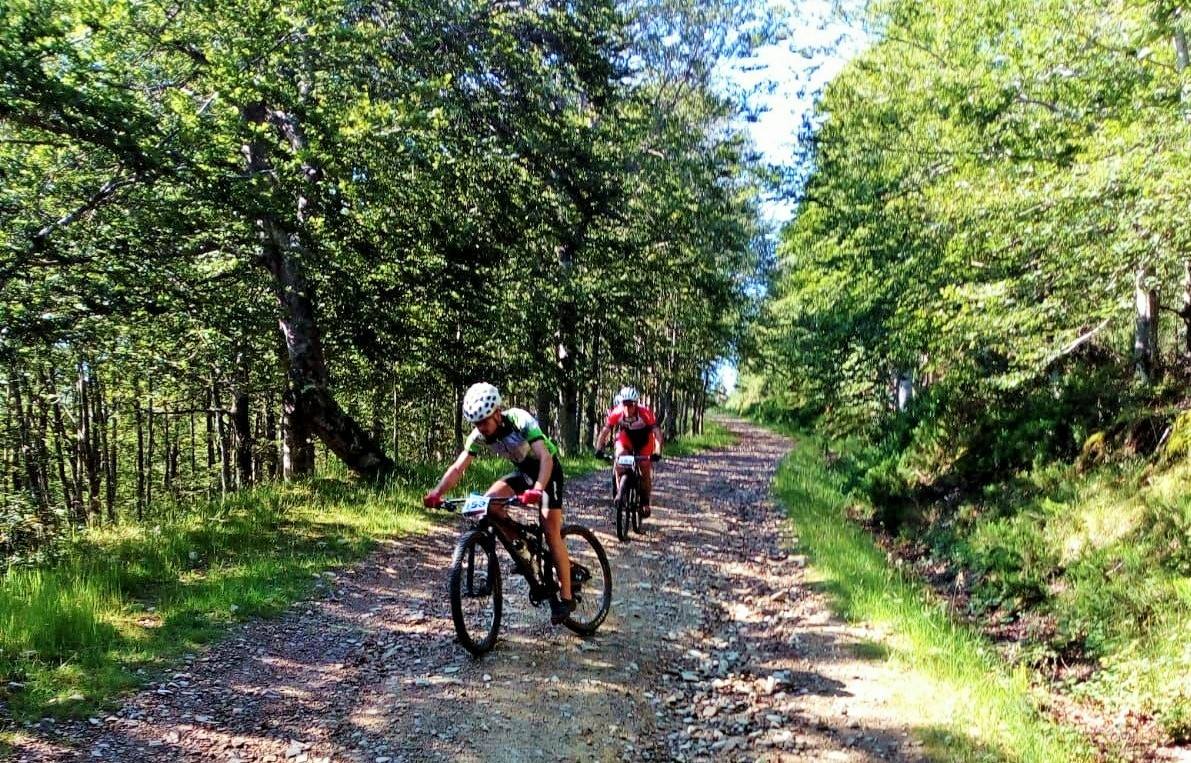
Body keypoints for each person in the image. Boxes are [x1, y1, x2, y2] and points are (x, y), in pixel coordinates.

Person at [423, 382, 575, 624]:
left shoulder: (519, 419)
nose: (480, 428)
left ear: (496, 412)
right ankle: (523, 548)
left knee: (550, 531)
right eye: (476, 423)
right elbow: (458, 467)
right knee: (489, 505)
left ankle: (566, 598)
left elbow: (545, 456)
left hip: (548, 471)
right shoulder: (478, 435)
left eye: (484, 421)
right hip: (525, 471)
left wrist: (537, 489)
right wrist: (437, 492)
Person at [594, 386, 663, 517]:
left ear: (635, 404)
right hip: (627, 438)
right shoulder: (617, 412)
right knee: (619, 461)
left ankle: (644, 502)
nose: (627, 408)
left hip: (645, 440)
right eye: (624, 404)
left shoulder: (645, 413)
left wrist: (657, 451)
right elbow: (604, 432)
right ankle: (621, 493)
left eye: (630, 405)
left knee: (644, 468)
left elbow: (657, 434)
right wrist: (599, 448)